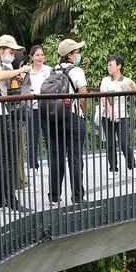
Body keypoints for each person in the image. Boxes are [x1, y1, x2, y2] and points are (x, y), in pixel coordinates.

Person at [0, 34, 32, 212]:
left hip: (1, 114)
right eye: (10, 51)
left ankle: (0, 199)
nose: (12, 54)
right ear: (0, 49)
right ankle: (10, 200)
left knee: (1, 160)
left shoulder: (1, 63)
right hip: (0, 115)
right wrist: (20, 70)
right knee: (9, 160)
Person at [46, 38, 89, 207]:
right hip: (72, 118)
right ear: (70, 55)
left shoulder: (52, 71)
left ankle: (54, 197)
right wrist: (83, 114)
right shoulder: (77, 71)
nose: (79, 54)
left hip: (55, 119)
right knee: (75, 158)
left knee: (57, 157)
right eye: (77, 52)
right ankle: (77, 197)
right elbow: (83, 97)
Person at [98, 55, 136, 173]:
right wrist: (112, 113)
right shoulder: (105, 80)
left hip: (122, 116)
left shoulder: (126, 80)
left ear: (119, 66)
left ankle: (132, 166)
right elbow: (103, 97)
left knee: (123, 143)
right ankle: (113, 169)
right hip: (107, 116)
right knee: (110, 144)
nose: (108, 67)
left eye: (111, 65)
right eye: (108, 65)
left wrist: (131, 85)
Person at [25, 45, 52, 170]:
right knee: (32, 138)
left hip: (47, 108)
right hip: (32, 108)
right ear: (32, 57)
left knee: (50, 137)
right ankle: (32, 165)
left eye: (41, 55)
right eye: (37, 55)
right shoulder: (26, 71)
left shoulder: (49, 70)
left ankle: (54, 163)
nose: (39, 57)